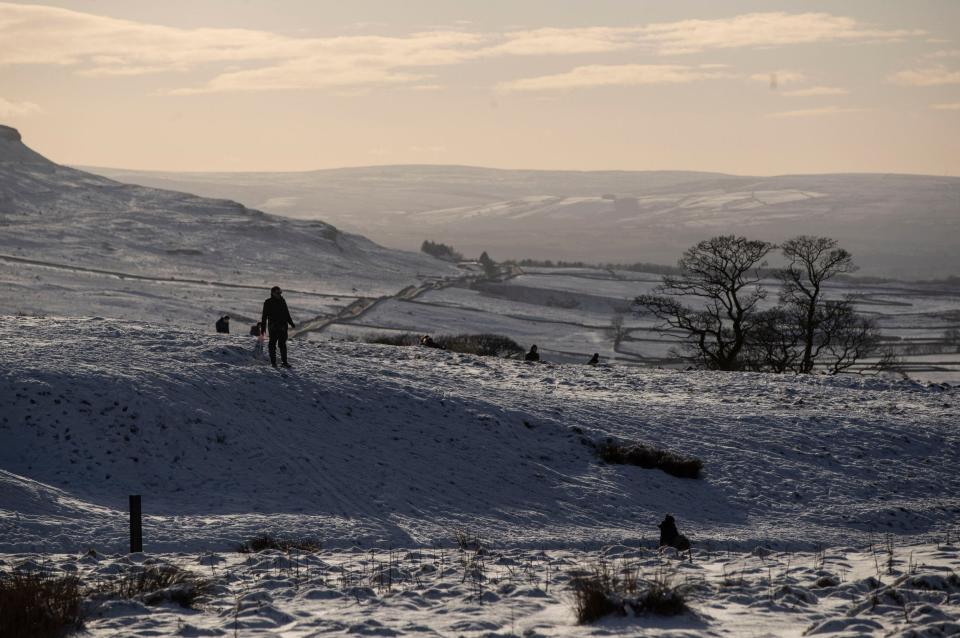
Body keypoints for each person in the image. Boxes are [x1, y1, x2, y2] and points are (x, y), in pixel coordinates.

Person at [261, 286, 296, 368]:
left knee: (282, 344)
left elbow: (286, 313)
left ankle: (285, 363)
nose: (279, 294)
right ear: (272, 293)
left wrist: (291, 322)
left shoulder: (282, 301)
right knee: (272, 345)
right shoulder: (268, 302)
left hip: (283, 326)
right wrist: (263, 328)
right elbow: (264, 316)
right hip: (273, 327)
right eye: (278, 293)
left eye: (280, 292)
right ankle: (273, 363)